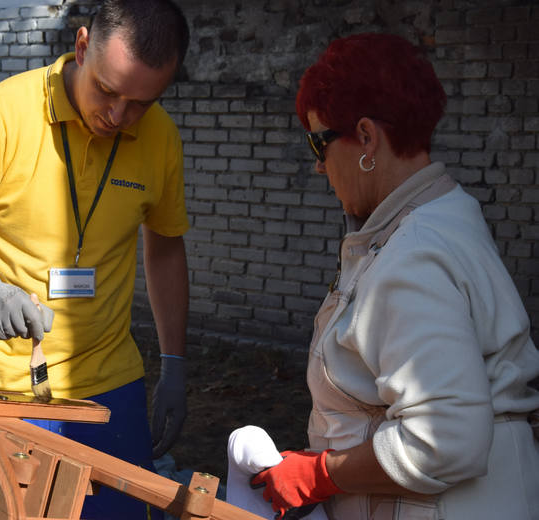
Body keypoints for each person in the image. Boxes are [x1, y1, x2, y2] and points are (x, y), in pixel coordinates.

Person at [0, 1, 190, 518]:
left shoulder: (159, 134)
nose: (118, 116)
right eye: (107, 90)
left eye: (141, 102)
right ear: (80, 47)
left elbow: (164, 247)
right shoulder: (3, 114)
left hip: (107, 388)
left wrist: (175, 364)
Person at [228, 33, 539, 520]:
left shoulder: (415, 253)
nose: (318, 166)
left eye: (319, 142)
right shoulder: (442, 217)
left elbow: (446, 439)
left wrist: (318, 474)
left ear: (366, 138)